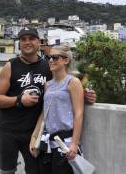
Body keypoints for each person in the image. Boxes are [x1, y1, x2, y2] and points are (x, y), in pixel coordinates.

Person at [0, 27, 96, 174]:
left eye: (31, 39)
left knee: (35, 171)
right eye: (23, 39)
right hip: (9, 130)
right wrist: (20, 100)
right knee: (7, 170)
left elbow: (62, 87)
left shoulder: (47, 66)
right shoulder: (10, 66)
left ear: (38, 42)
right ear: (19, 44)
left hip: (35, 133)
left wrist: (83, 95)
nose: (27, 42)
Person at [30, 44, 84, 174]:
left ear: (66, 60)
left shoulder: (73, 82)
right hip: (47, 144)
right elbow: (44, 114)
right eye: (49, 57)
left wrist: (75, 144)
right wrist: (34, 137)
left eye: (55, 57)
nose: (50, 60)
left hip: (65, 143)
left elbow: (79, 114)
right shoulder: (47, 84)